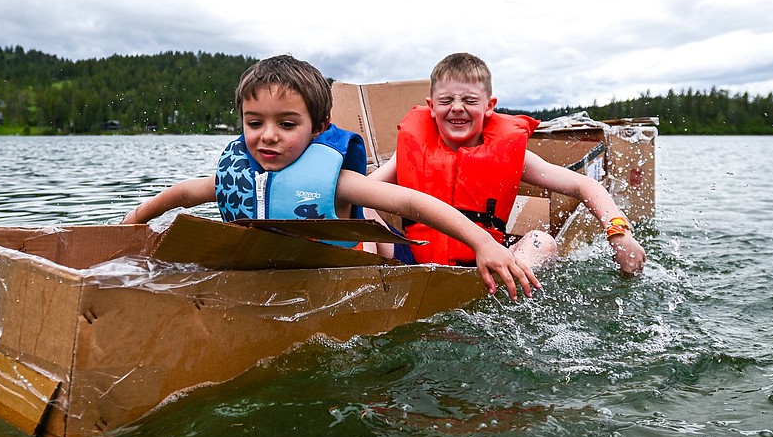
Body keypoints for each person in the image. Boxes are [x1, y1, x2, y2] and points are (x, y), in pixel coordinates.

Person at [121, 54, 541, 299]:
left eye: (287, 125)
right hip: (277, 283)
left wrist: (484, 243)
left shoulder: (335, 182)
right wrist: (130, 225)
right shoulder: (238, 178)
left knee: (374, 226)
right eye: (254, 123)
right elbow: (180, 194)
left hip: (362, 280)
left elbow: (414, 203)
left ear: (319, 128)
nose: (267, 137)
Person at [368, 52, 646, 276]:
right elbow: (362, 192)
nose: (456, 107)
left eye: (469, 100)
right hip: (414, 263)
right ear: (431, 106)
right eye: (446, 100)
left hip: (486, 266)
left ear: (489, 106)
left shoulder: (511, 154)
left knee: (543, 242)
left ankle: (497, 298)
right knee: (364, 211)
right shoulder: (409, 151)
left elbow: (584, 184)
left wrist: (618, 232)